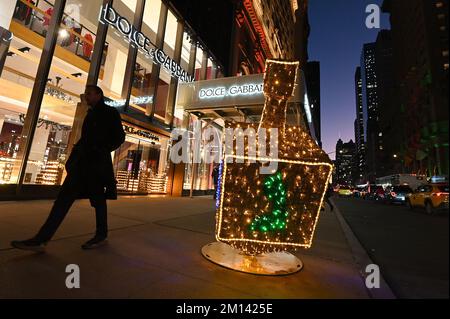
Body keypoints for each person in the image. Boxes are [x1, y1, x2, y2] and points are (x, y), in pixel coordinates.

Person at [11, 85, 125, 252]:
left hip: (95, 165)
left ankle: (100, 234)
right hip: (83, 164)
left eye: (89, 94)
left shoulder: (109, 112)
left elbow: (119, 137)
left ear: (99, 95)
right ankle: (41, 239)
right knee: (64, 200)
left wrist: (101, 149)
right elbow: (88, 139)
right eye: (85, 94)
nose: (86, 97)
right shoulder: (91, 113)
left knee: (98, 200)